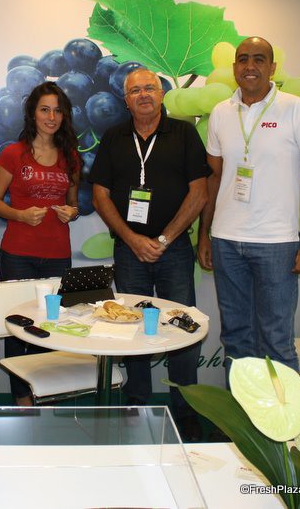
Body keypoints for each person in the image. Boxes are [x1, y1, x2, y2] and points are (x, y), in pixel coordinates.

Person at [198, 36, 300, 374]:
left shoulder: (296, 109)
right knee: (236, 338)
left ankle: (280, 412)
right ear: (234, 67)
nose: (250, 66)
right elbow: (214, 179)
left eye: (259, 59)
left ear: (272, 67)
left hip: (276, 244)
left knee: (276, 339)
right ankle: (239, 410)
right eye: (243, 59)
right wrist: (205, 235)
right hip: (226, 241)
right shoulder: (220, 113)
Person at [90, 69, 210, 442]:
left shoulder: (184, 134)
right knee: (131, 326)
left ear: (161, 94)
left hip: (174, 250)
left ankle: (186, 409)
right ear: (125, 100)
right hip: (129, 252)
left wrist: (163, 238)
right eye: (135, 90)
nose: (143, 95)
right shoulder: (113, 137)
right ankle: (137, 402)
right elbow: (100, 195)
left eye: (149, 88)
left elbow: (199, 192)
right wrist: (131, 239)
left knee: (182, 327)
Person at [0, 81, 80, 406]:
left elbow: (73, 204)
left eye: (57, 111)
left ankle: (46, 393)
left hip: (57, 255)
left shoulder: (70, 157)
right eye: (45, 110)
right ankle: (22, 398)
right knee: (19, 328)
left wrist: (71, 212)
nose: (51, 117)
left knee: (52, 327)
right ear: (33, 113)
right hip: (18, 255)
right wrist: (20, 215)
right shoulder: (14, 153)